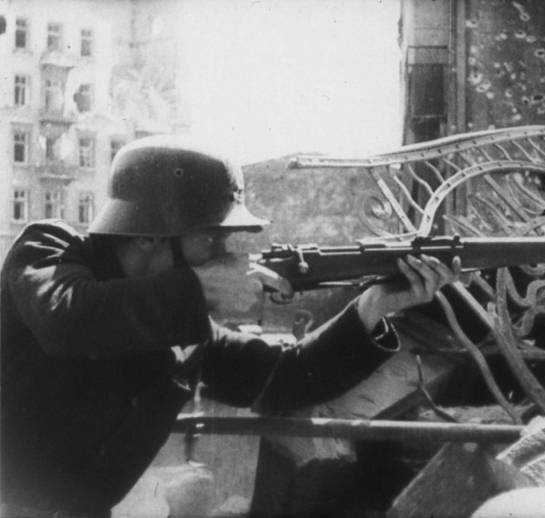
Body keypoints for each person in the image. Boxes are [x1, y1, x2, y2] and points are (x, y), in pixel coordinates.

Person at [0, 136, 456, 517]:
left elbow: (284, 377)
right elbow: (68, 320)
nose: (226, 253)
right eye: (211, 237)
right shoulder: (48, 249)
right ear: (147, 235)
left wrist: (374, 306)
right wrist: (201, 290)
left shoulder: (178, 325)